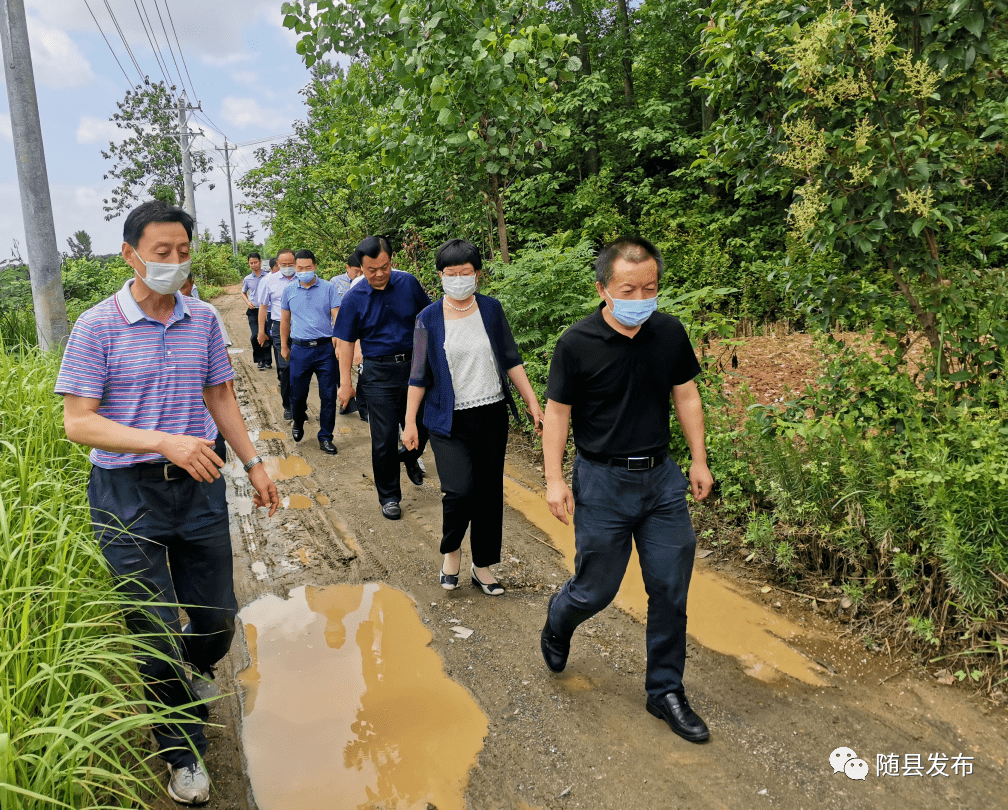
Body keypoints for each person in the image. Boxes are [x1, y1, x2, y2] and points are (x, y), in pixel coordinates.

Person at [55, 200, 279, 805]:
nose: (175, 264)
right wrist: (162, 441)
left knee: (216, 623)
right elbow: (79, 422)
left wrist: (255, 463)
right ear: (130, 255)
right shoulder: (96, 327)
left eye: (184, 252)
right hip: (127, 494)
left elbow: (221, 396)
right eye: (162, 253)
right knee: (154, 632)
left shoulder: (203, 319)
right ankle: (183, 755)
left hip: (200, 487)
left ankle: (192, 671)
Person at [539, 236, 714, 744]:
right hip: (603, 480)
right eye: (629, 288)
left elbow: (686, 394)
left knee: (669, 588)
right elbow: (557, 414)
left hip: (661, 480)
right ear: (603, 288)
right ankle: (559, 619)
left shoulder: (668, 332)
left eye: (650, 287)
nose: (641, 297)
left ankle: (665, 691)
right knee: (596, 589)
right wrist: (553, 480)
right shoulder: (577, 343)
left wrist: (698, 461)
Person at [402, 239, 544, 594]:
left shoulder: (492, 310)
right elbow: (418, 375)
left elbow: (510, 358)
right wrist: (409, 423)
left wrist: (532, 401)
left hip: (492, 415)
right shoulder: (428, 319)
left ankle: (483, 566)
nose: (460, 279)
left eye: (466, 272)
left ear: (477, 274)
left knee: (488, 493)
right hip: (448, 420)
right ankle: (451, 552)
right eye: (452, 274)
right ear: (440, 276)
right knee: (459, 491)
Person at [335, 236, 431, 520]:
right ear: (360, 268)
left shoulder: (408, 283)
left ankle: (409, 457)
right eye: (371, 270)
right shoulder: (354, 298)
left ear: (392, 261)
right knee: (383, 438)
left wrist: (428, 364)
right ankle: (389, 496)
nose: (379, 275)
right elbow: (345, 342)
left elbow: (425, 324)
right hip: (377, 374)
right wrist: (346, 383)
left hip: (414, 367)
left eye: (384, 267)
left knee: (423, 427)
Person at [280, 249, 341, 454]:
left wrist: (339, 341)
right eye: (299, 268)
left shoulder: (328, 288)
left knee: (328, 395)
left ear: (315, 266)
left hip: (325, 349)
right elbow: (285, 320)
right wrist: (284, 345)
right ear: (294, 268)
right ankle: (298, 420)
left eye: (308, 267)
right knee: (297, 395)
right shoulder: (289, 290)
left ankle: (325, 436)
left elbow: (336, 316)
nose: (304, 271)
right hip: (300, 349)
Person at [258, 250, 298, 420]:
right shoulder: (269, 281)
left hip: (300, 328)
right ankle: (288, 406)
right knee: (285, 368)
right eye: (284, 265)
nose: (288, 268)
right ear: (278, 264)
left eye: (291, 264)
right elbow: (263, 306)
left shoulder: (303, 278)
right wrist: (261, 331)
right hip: (278, 327)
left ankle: (299, 405)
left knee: (300, 369)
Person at [329, 251, 366, 418]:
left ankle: (363, 405)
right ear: (348, 268)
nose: (359, 274)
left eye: (362, 271)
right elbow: (332, 311)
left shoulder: (368, 283)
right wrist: (336, 336)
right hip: (341, 332)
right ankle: (345, 401)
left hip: (362, 333)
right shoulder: (335, 283)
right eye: (356, 271)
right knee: (342, 368)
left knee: (363, 369)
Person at [241, 252, 271, 370]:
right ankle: (260, 360)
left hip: (267, 311)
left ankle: (268, 360)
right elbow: (243, 292)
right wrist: (248, 302)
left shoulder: (268, 276)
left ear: (260, 262)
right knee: (255, 335)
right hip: (254, 311)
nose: (253, 265)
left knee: (266, 334)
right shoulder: (247, 279)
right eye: (251, 263)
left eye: (255, 262)